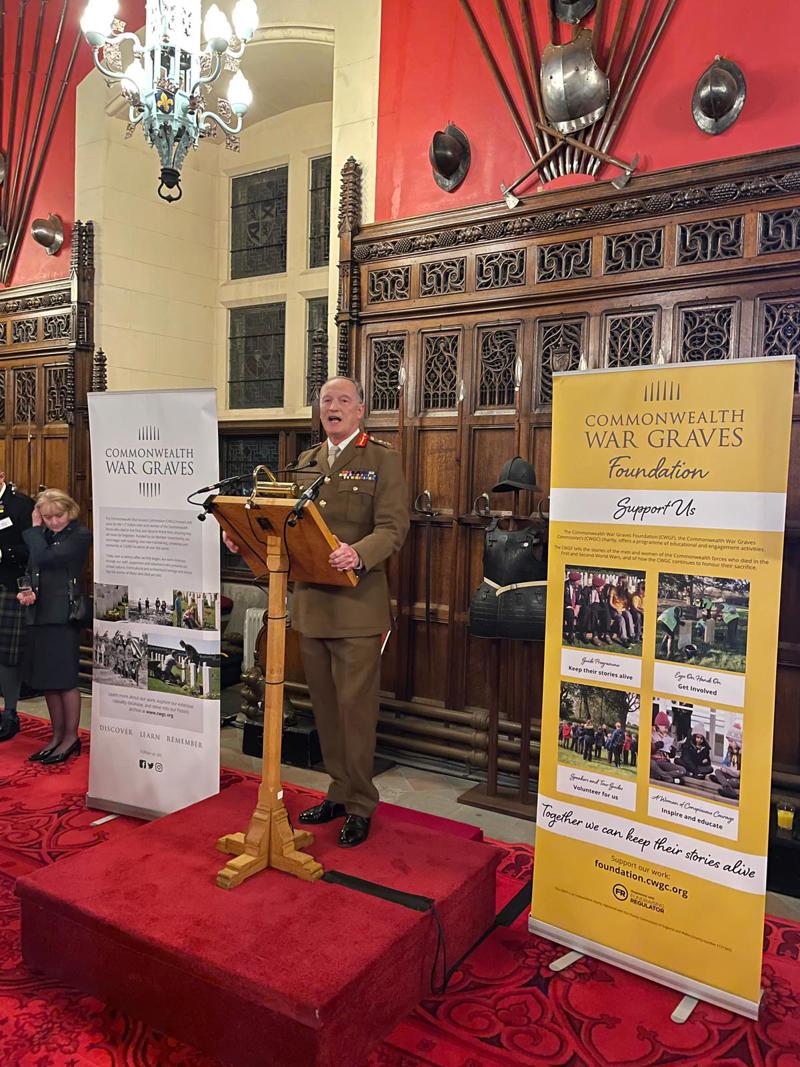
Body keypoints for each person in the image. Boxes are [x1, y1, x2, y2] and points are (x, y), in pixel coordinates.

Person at [224, 377, 409, 848]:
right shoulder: (306, 462)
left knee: (355, 711)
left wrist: (359, 553)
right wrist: (246, 536)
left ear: (360, 410)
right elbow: (287, 526)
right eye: (326, 400)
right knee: (325, 709)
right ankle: (339, 790)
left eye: (343, 400)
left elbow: (392, 528)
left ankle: (362, 803)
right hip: (310, 606)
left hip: (356, 607)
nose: (333, 407)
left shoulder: (381, 460)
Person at [16, 489, 92, 763]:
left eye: (57, 515)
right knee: (48, 680)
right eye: (47, 517)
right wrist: (26, 590)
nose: (54, 522)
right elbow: (32, 567)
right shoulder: (45, 537)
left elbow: (47, 559)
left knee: (64, 679)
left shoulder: (79, 535)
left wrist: (35, 529)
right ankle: (56, 736)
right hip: (39, 613)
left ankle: (71, 738)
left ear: (69, 511)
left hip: (63, 616)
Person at [0, 474, 34, 742]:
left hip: (9, 589)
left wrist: (3, 553)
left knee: (8, 657)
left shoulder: (21, 506)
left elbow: (33, 548)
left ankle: (10, 713)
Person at [609, 576, 635, 647]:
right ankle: (624, 638)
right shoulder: (613, 590)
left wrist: (625, 608)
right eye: (618, 581)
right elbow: (610, 603)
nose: (618, 583)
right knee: (621, 619)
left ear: (624, 584)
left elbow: (629, 603)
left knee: (628, 614)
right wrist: (617, 609)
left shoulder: (626, 592)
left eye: (620, 582)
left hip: (623, 609)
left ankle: (632, 635)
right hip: (614, 609)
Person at [563, 570, 582, 644]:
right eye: (578, 581)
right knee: (570, 612)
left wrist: (577, 606)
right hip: (566, 607)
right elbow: (561, 599)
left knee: (586, 611)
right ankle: (571, 635)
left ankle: (582, 634)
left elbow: (579, 599)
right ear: (572, 581)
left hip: (575, 607)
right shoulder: (564, 586)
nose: (580, 583)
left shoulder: (579, 587)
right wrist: (569, 606)